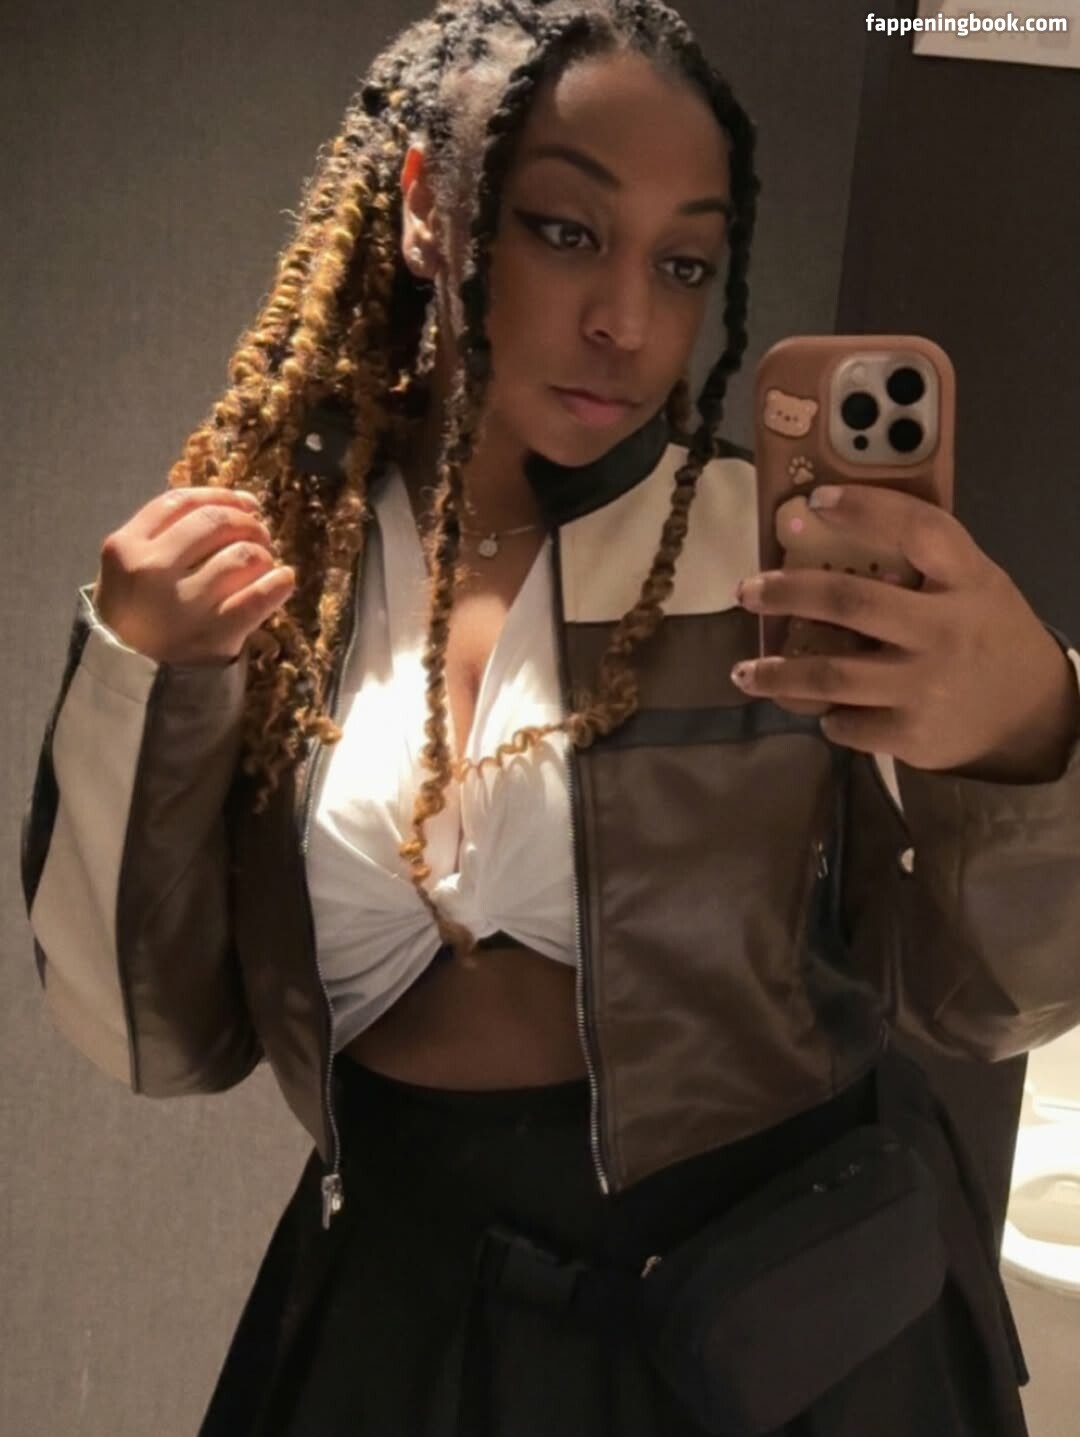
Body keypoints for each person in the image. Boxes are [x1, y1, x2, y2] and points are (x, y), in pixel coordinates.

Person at [20, 1, 1080, 1433]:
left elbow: (997, 999)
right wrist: (138, 678)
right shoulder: (281, 573)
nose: (626, 322)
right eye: (566, 232)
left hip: (783, 1329)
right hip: (411, 1320)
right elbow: (151, 1038)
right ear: (425, 208)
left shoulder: (775, 560)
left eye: (682, 262)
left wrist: (1031, 726)